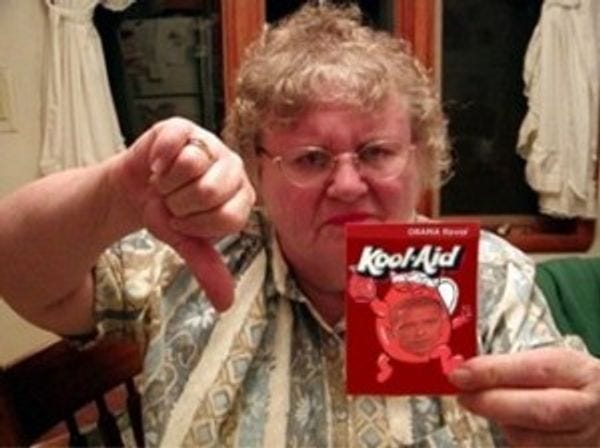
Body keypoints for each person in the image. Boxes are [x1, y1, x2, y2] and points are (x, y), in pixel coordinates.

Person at [1, 4, 599, 447]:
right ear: (258, 168)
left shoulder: (492, 278)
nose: (347, 184)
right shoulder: (195, 261)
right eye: (311, 159)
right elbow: (16, 269)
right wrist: (115, 192)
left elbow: (563, 413)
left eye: (376, 152)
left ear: (420, 157)